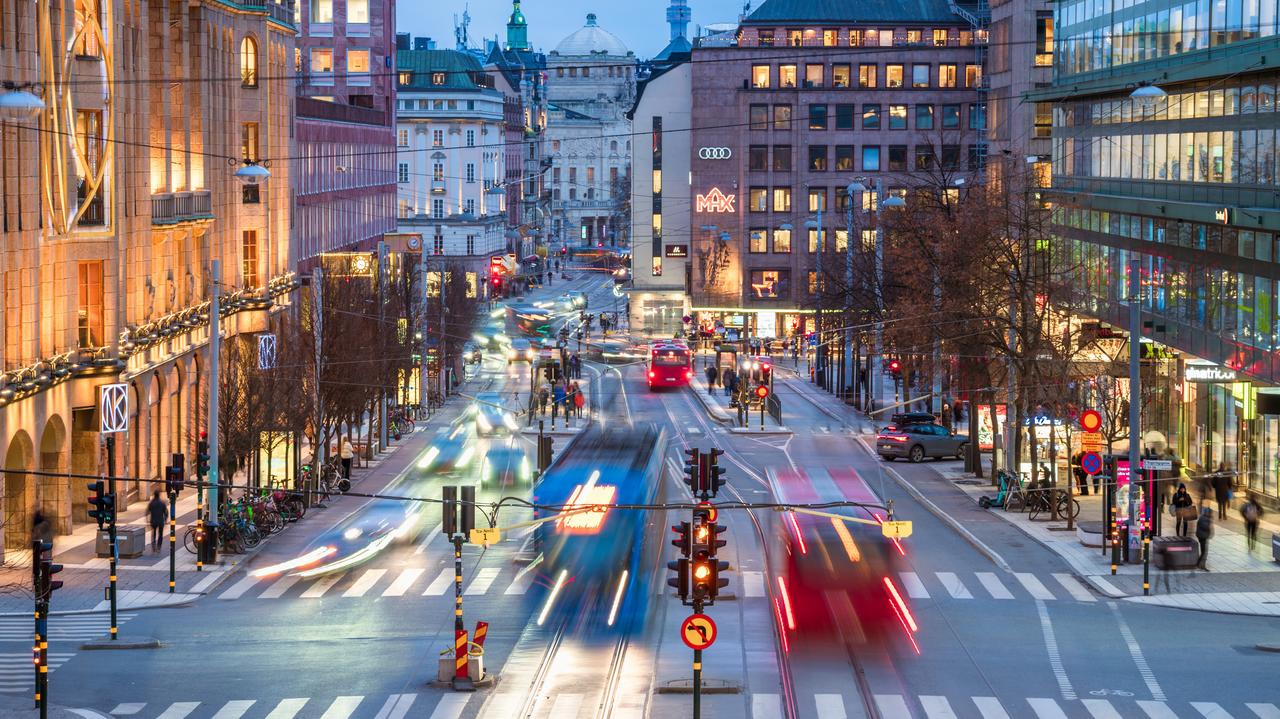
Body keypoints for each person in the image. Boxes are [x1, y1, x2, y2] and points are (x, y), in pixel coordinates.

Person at [1195, 506, 1214, 570]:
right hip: (1202, 537)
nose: (1211, 514)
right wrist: (1210, 521)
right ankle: (1199, 565)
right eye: (1211, 513)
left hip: (1203, 536)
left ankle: (1201, 565)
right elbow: (1206, 527)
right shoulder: (1204, 518)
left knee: (1204, 552)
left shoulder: (1204, 518)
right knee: (1204, 552)